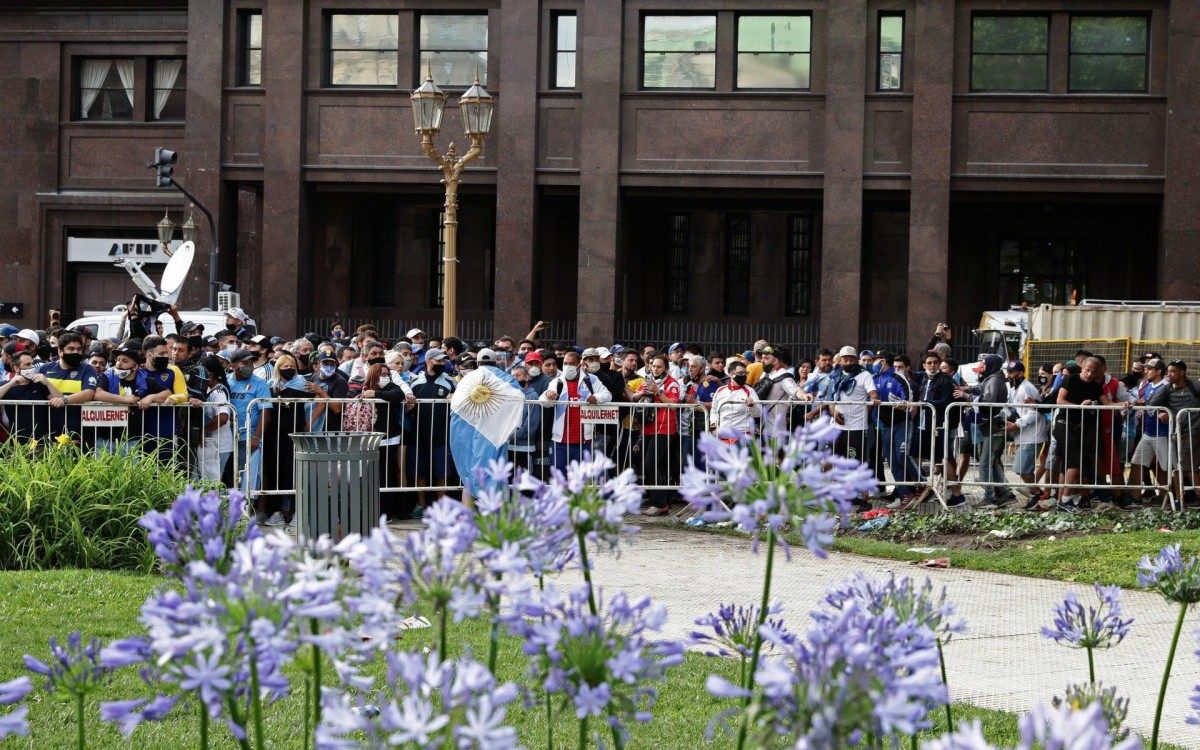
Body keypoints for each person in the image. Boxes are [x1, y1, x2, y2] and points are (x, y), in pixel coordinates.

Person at [1053, 357, 1111, 513]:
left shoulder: (1096, 386)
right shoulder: (1070, 379)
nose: (1090, 373)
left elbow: (1107, 404)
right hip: (1064, 425)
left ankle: (1062, 500)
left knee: (1069, 464)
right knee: (1073, 463)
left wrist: (1126, 404)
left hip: (1079, 429)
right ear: (1082, 368)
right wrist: (1079, 406)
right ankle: (1065, 500)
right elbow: (1060, 400)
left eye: (1093, 371)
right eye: (1087, 369)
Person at [260, 353, 313, 527]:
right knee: (275, 472)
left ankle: (297, 511)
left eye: (292, 366)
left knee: (294, 472)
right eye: (285, 366)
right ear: (278, 368)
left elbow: (321, 399)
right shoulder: (270, 385)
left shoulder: (303, 384)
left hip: (295, 435)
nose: (289, 369)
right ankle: (277, 511)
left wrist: (308, 423)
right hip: (274, 435)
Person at [539, 350, 612, 472]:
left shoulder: (591, 380)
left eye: (571, 363)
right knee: (559, 478)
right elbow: (543, 402)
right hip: (559, 441)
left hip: (584, 441)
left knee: (581, 480)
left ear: (579, 365)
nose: (567, 366)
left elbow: (607, 395)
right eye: (565, 363)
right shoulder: (557, 382)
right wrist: (548, 395)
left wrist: (596, 398)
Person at [827, 346, 879, 509]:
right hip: (837, 426)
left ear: (856, 360)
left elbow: (873, 395)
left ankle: (864, 498)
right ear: (840, 360)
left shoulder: (865, 375)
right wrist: (834, 412)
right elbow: (830, 399)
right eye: (845, 359)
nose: (848, 361)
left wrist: (871, 403)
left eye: (851, 359)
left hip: (857, 426)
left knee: (858, 462)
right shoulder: (835, 376)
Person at [407, 348, 456, 519]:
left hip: (441, 434)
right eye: (439, 361)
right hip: (418, 434)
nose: (442, 364)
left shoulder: (449, 382)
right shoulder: (415, 382)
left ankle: (442, 508)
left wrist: (453, 397)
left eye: (444, 361)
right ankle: (421, 505)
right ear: (428, 361)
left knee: (441, 472)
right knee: (418, 471)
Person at [967, 353, 1017, 508]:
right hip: (991, 427)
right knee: (993, 462)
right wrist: (965, 390)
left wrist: (967, 396)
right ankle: (1006, 494)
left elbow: (988, 400)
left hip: (993, 428)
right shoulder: (992, 378)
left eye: (984, 364)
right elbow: (979, 389)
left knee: (984, 463)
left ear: (991, 365)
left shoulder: (994, 379)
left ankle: (989, 498)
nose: (982, 368)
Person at [632, 354, 681, 515]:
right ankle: (661, 500)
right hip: (647, 427)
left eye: (659, 367)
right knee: (656, 465)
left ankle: (659, 503)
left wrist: (658, 392)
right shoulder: (647, 380)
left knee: (650, 464)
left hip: (664, 428)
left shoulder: (671, 383)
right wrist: (641, 393)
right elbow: (633, 397)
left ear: (665, 368)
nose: (655, 369)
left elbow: (674, 405)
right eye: (653, 366)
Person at [872, 351, 920, 507]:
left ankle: (923, 482)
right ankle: (905, 493)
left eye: (875, 360)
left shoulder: (899, 377)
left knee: (901, 455)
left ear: (883, 361)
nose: (872, 363)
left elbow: (909, 400)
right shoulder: (874, 378)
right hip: (885, 424)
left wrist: (902, 404)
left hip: (901, 423)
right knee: (891, 459)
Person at [227, 348, 273, 499]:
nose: (250, 366)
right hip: (228, 437)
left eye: (251, 362)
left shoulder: (260, 384)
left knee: (251, 475)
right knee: (230, 474)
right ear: (233, 366)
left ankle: (249, 508)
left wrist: (256, 437)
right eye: (244, 363)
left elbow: (265, 412)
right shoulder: (226, 381)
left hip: (249, 437)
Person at [36, 331, 98, 441]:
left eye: (79, 349)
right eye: (71, 349)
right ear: (60, 351)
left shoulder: (87, 369)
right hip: (48, 426)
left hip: (76, 428)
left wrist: (65, 399)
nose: (76, 352)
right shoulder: (45, 368)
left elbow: (89, 393)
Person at [1004, 362, 1050, 509]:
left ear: (1020, 373)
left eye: (1012, 372)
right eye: (1008, 372)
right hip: (1024, 434)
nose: (1009, 375)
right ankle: (1038, 495)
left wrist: (1017, 424)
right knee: (1023, 469)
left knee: (1022, 469)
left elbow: (1034, 413)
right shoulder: (1014, 387)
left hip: (1032, 435)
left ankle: (1038, 494)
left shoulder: (1026, 388)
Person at [1129, 358, 1171, 507]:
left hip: (1163, 433)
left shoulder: (1167, 386)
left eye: (1149, 369)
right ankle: (1135, 498)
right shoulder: (1148, 386)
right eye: (1145, 368)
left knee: (1165, 467)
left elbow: (1173, 404)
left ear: (1158, 371)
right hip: (1148, 432)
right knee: (1136, 463)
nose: (1146, 371)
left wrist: (1167, 412)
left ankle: (1167, 498)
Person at [1160, 360, 1200, 506]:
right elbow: (1153, 402)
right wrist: (1161, 411)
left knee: (1189, 466)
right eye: (1168, 371)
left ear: (1182, 372)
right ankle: (1179, 499)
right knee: (1178, 467)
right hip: (1176, 433)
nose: (1169, 374)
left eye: (1173, 371)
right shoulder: (1167, 388)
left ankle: (1195, 495)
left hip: (1193, 432)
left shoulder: (1195, 386)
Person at [0, 350, 55, 441]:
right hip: (16, 442)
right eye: (28, 364)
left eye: (32, 364)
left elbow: (59, 400)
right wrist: (10, 384)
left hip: (40, 441)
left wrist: (48, 383)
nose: (32, 367)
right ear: (16, 368)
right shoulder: (6, 385)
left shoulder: (40, 384)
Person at [198, 353, 234, 484]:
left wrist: (204, 429)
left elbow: (223, 417)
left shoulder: (219, 392)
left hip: (220, 445)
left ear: (210, 374)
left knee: (213, 481)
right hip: (212, 444)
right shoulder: (209, 390)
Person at [709, 359, 759, 439]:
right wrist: (713, 424)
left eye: (745, 373)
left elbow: (758, 413)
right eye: (740, 373)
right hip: (722, 435)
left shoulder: (750, 391)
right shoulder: (720, 390)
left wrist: (752, 406)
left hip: (742, 436)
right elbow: (714, 410)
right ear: (731, 374)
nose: (744, 376)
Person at [507, 362, 543, 473]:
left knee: (524, 482)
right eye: (512, 376)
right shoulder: (510, 395)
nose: (515, 379)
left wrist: (510, 435)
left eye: (518, 375)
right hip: (509, 446)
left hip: (524, 447)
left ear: (526, 377)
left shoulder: (533, 396)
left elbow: (531, 426)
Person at [307, 350, 350, 432]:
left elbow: (337, 409)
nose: (329, 367)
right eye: (325, 364)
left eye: (332, 364)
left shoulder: (340, 381)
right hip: (315, 425)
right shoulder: (314, 377)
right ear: (318, 364)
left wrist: (321, 392)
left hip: (331, 427)